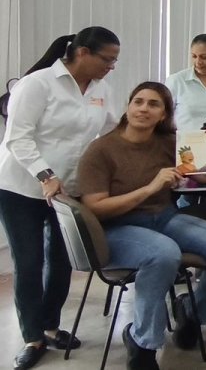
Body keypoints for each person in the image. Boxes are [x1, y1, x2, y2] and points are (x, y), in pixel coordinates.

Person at [77, 83, 206, 369]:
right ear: (127, 107)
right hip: (117, 228)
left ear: (163, 113)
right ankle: (143, 344)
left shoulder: (169, 141)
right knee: (163, 254)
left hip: (163, 218)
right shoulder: (101, 149)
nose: (143, 108)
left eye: (153, 104)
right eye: (138, 101)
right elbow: (95, 207)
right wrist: (150, 188)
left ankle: (191, 313)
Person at [0, 27, 121, 370]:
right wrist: (46, 175)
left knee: (63, 260)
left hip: (69, 190)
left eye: (115, 61)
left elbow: (111, 131)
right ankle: (32, 337)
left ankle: (52, 325)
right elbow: (18, 139)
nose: (111, 66)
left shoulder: (102, 89)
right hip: (20, 187)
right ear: (82, 52)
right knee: (29, 263)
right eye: (107, 59)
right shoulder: (37, 84)